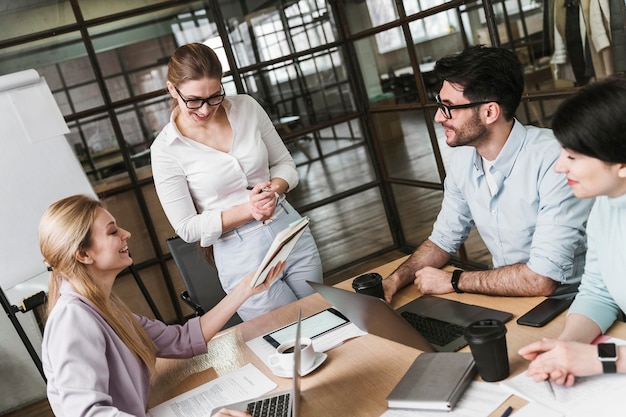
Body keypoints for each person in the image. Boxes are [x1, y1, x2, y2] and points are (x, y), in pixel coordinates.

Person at [382, 45, 593, 303]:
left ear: (490, 112)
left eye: (449, 107)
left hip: (571, 304)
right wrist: (393, 280)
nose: (438, 117)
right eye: (440, 104)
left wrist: (454, 280)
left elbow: (542, 279)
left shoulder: (554, 161)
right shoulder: (463, 158)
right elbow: (442, 240)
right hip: (507, 296)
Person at [40, 194, 284, 416]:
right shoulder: (72, 319)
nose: (126, 234)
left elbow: (180, 340)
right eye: (113, 232)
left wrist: (245, 289)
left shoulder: (105, 307)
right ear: (83, 255)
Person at [151, 43, 322, 321]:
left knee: (323, 319)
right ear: (172, 89)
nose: (205, 110)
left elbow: (285, 165)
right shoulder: (165, 150)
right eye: (194, 100)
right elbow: (187, 228)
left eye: (214, 96)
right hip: (239, 252)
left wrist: (273, 189)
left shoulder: (247, 107)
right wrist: (250, 210)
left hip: (289, 230)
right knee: (290, 336)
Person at [519, 77, 626, 385]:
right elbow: (598, 291)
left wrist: (599, 360)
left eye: (573, 156)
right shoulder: (606, 205)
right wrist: (566, 347)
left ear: (621, 163)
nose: (559, 167)